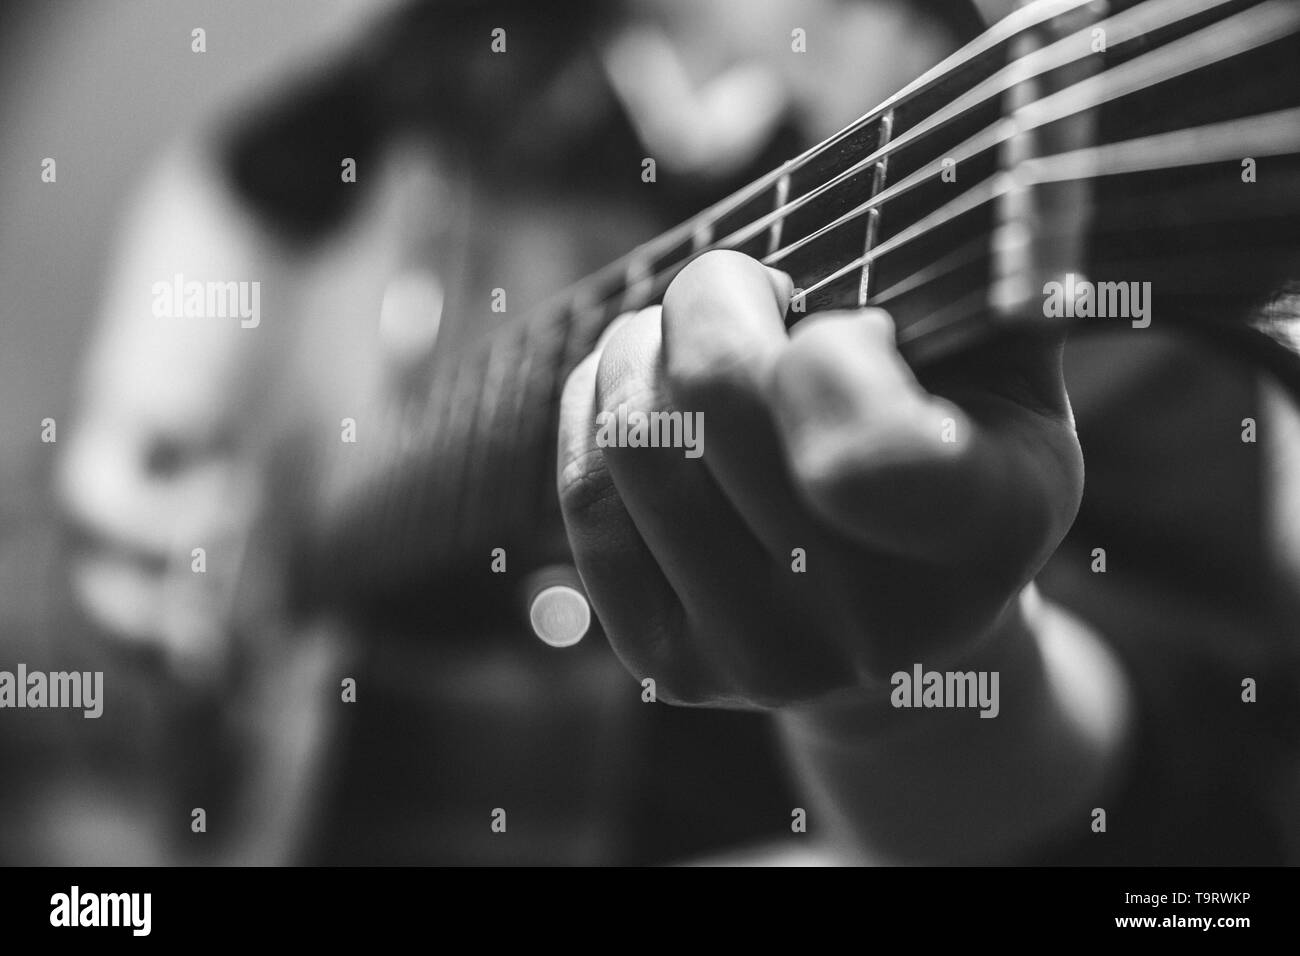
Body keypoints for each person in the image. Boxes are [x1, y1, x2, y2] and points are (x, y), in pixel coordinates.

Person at [52, 0, 1299, 865]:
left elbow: (1162, 806)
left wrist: (897, 695)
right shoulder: (490, 33)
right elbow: (235, 183)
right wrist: (139, 416)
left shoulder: (1049, 95)